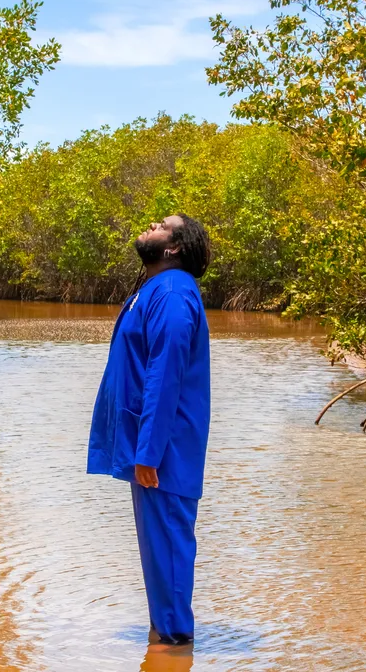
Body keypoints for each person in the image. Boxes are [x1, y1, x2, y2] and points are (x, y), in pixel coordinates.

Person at [87, 213, 212, 646]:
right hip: (155, 448)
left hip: (166, 453)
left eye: (160, 225)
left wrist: (149, 453)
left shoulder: (174, 294)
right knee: (160, 562)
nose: (149, 227)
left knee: (170, 559)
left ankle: (176, 648)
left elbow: (165, 374)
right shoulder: (156, 289)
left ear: (174, 246)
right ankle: (165, 647)